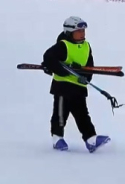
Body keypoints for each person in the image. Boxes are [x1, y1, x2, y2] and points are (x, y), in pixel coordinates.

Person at [41, 16, 110, 152]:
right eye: (79, 31)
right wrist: (62, 71)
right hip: (63, 86)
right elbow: (48, 58)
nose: (82, 33)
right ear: (69, 32)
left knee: (82, 114)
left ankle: (91, 139)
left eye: (83, 31)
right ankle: (57, 138)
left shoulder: (86, 46)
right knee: (61, 114)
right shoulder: (63, 45)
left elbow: (90, 65)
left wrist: (86, 77)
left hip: (78, 87)